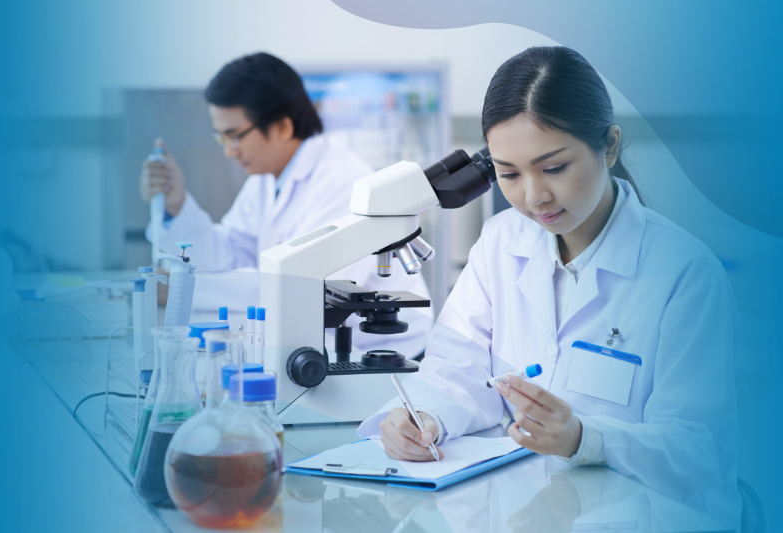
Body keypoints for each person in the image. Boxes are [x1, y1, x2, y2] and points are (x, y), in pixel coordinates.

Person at [359, 46, 741, 527]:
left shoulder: (683, 271)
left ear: (610, 145)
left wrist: (584, 439)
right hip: (528, 510)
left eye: (554, 167)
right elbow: (454, 372)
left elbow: (700, 451)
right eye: (509, 174)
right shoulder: (500, 243)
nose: (534, 196)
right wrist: (422, 419)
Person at [139, 52, 431, 356]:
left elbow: (300, 290)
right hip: (323, 343)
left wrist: (183, 290)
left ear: (282, 127)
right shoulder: (265, 179)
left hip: (383, 356)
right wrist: (177, 204)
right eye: (222, 139)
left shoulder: (342, 182)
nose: (229, 152)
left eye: (234, 136)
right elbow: (232, 252)